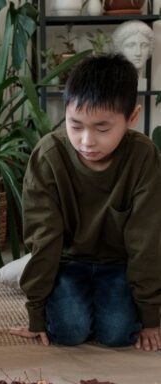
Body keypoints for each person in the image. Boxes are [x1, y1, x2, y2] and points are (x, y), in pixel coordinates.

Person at [11, 54, 161, 352]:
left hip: (119, 264)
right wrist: (36, 313)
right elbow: (44, 239)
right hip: (67, 261)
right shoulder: (49, 156)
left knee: (118, 334)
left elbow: (146, 242)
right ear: (65, 112)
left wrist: (150, 317)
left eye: (102, 128)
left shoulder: (143, 156)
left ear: (132, 117)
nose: (87, 141)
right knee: (69, 331)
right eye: (75, 125)